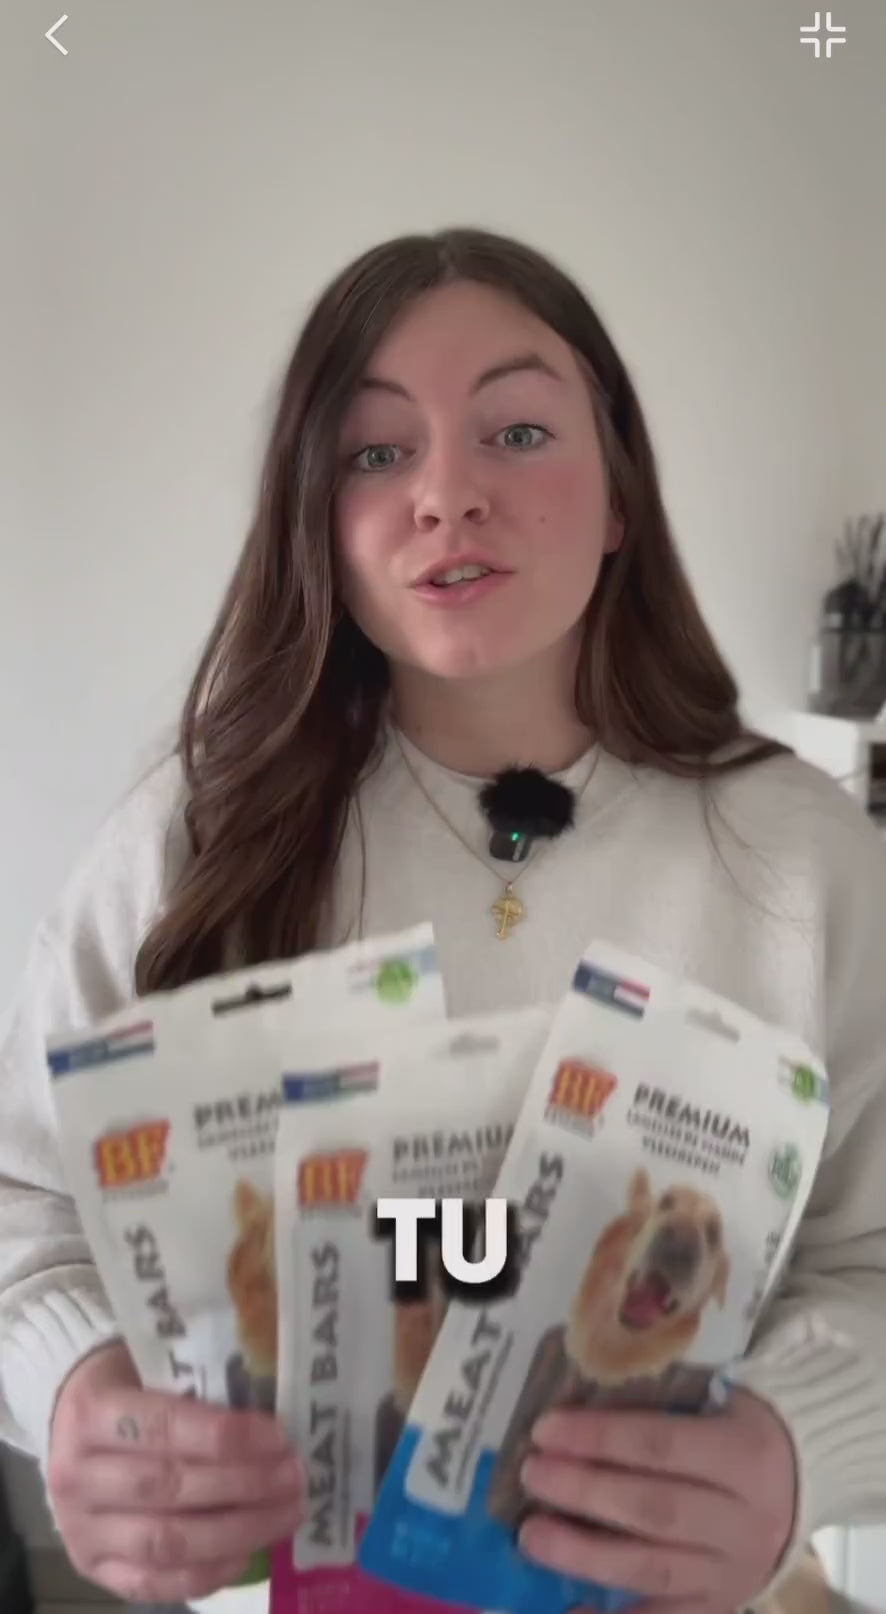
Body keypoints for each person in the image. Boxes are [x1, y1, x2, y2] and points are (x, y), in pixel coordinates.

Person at [1, 226, 885, 1614]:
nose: (447, 495)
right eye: (375, 451)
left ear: (618, 496)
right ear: (314, 516)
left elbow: (866, 1260)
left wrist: (793, 1447)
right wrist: (69, 1387)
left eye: (517, 431)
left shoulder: (805, 857)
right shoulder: (190, 840)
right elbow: (27, 1205)